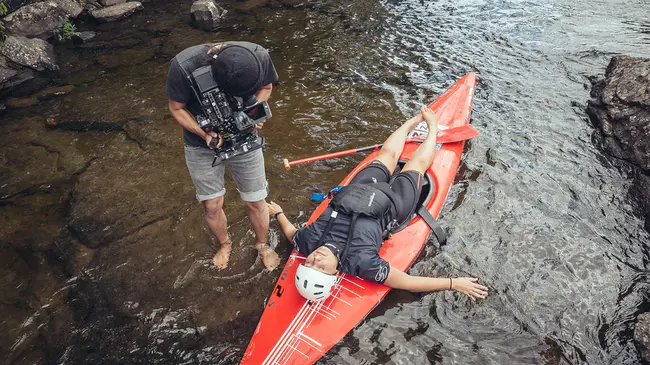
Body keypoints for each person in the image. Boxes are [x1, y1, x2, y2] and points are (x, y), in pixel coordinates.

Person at [267, 107, 489, 300]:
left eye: (308, 264)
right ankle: (432, 128)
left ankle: (412, 122)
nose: (315, 259)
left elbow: (291, 233)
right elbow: (406, 282)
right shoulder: (361, 264)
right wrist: (454, 283)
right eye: (321, 268)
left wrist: (279, 214)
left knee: (389, 153)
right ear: (334, 274)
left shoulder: (307, 242)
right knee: (417, 164)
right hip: (392, 206)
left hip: (359, 189)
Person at [167, 41, 280, 270]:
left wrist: (253, 112)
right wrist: (204, 133)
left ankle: (262, 244)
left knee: (256, 200)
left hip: (245, 138)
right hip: (201, 144)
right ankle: (225, 244)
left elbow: (266, 87)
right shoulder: (183, 66)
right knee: (212, 204)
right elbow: (176, 108)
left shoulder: (259, 56)